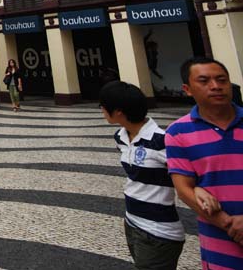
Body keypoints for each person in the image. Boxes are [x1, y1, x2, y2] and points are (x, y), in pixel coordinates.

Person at [99, 80, 185, 270]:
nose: (101, 110)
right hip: (132, 222)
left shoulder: (161, 141)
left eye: (103, 106)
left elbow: (189, 175)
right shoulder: (121, 137)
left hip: (158, 231)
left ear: (119, 111)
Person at [166, 57, 243, 269]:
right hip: (220, 246)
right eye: (204, 81)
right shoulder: (178, 132)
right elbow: (184, 189)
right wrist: (230, 224)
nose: (216, 86)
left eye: (221, 80)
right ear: (187, 89)